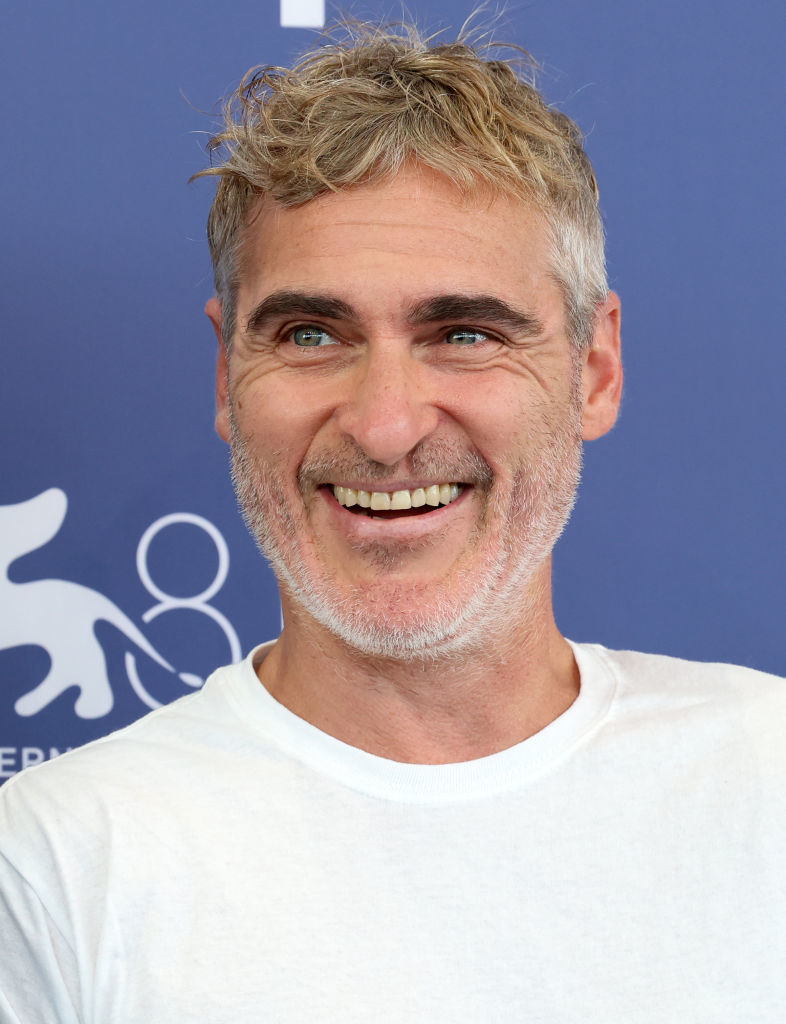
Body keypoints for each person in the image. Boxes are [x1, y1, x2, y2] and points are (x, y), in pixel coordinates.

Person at [1, 21, 784, 1023]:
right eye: (311, 334)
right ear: (226, 377)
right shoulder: (55, 863)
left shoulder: (771, 782)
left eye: (465, 333)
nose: (385, 426)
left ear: (594, 371)